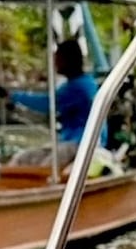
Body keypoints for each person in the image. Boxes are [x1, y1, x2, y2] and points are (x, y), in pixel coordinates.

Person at [7, 39, 105, 168]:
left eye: (58, 58)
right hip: (67, 140)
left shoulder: (80, 87)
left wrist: (14, 96)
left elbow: (48, 103)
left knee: (46, 167)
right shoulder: (73, 84)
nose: (55, 62)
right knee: (21, 159)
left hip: (83, 142)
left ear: (69, 59)